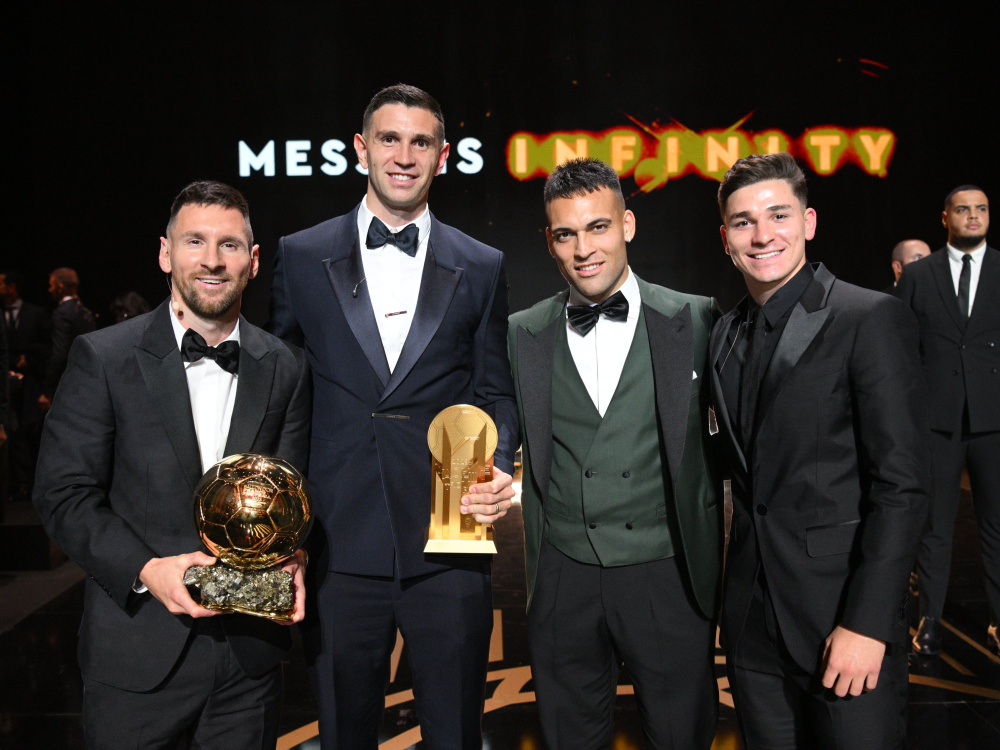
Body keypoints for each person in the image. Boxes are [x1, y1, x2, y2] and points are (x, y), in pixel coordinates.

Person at [269, 83, 518, 748]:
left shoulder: (482, 264)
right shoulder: (298, 254)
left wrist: (504, 467)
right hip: (335, 541)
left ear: (443, 156)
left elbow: (495, 388)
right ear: (361, 149)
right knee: (344, 732)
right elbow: (284, 396)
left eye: (421, 142)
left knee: (455, 732)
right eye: (389, 138)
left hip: (449, 539)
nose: (404, 155)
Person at [33, 181, 311, 748]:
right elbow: (63, 495)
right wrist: (147, 569)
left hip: (247, 662)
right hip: (136, 658)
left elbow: (294, 496)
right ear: (165, 253)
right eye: (195, 242)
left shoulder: (285, 367)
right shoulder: (104, 357)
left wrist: (296, 556)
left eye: (230, 245)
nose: (212, 260)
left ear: (253, 261)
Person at [709, 153, 929, 749]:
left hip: (842, 620)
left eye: (777, 215)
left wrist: (868, 622)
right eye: (742, 221)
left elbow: (902, 486)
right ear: (726, 238)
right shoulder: (724, 335)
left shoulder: (868, 317)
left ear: (808, 222)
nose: (762, 235)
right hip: (753, 626)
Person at [508, 158, 722, 749]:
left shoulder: (696, 317)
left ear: (627, 223)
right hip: (562, 574)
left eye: (598, 227)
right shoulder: (522, 332)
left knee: (681, 736)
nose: (584, 248)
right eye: (566, 233)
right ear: (548, 242)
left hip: (665, 570)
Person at [897, 185, 1000, 655]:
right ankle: (931, 622)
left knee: (995, 523)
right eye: (963, 209)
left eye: (980, 209)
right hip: (938, 419)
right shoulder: (919, 276)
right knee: (935, 525)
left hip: (993, 417)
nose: (973, 216)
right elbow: (902, 347)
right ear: (945, 218)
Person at [1, 270, 50, 500]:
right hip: (6, 382)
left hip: (31, 382)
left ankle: (33, 483)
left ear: (12, 287)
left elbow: (47, 345)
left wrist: (29, 360)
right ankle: (18, 483)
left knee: (32, 431)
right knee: (13, 431)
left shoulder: (35, 313)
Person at [40, 266, 95, 411]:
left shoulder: (61, 314)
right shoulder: (86, 312)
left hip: (65, 379)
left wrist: (47, 390)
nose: (49, 290)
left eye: (51, 286)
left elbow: (59, 352)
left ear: (60, 287)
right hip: (87, 377)